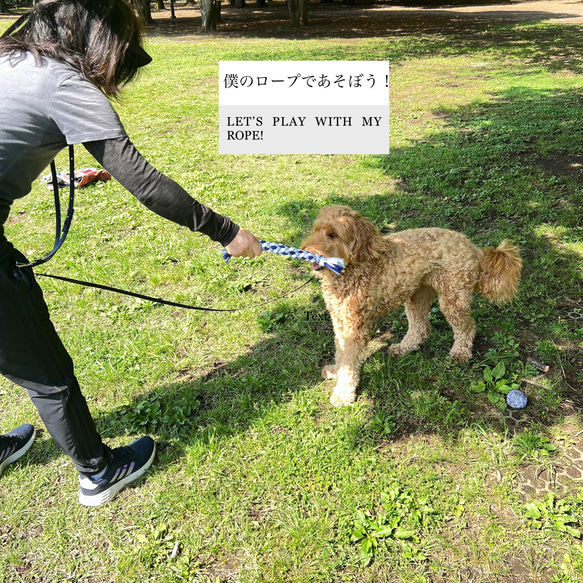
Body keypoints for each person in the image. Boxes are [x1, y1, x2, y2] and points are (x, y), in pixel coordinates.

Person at [0, 0, 262, 506]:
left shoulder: (8, 59)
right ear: (100, 41)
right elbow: (142, 181)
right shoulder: (62, 84)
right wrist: (226, 231)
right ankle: (97, 474)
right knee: (46, 373)